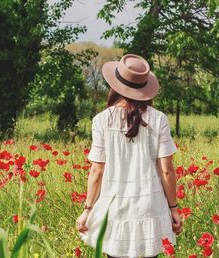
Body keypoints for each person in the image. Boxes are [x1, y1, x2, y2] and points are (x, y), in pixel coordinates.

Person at [76, 54, 182, 258]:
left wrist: (88, 209)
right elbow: (167, 171)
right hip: (150, 207)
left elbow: (97, 171)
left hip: (114, 208)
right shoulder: (159, 119)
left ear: (115, 85)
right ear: (145, 88)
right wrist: (174, 209)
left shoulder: (101, 120)